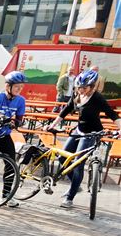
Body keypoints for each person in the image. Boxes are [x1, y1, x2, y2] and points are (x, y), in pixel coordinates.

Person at [47, 68, 119, 208]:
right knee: (62, 157)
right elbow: (65, 111)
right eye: (78, 87)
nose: (80, 90)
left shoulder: (97, 98)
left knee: (77, 163)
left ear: (92, 87)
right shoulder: (78, 96)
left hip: (92, 133)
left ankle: (69, 198)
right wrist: (52, 125)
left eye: (84, 88)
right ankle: (76, 183)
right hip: (78, 130)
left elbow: (112, 114)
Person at [0, 71, 27, 208]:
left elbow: (19, 119)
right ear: (8, 86)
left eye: (21, 87)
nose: (19, 90)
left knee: (11, 163)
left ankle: (7, 196)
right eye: (17, 87)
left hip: (3, 134)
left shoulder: (20, 100)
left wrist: (17, 122)